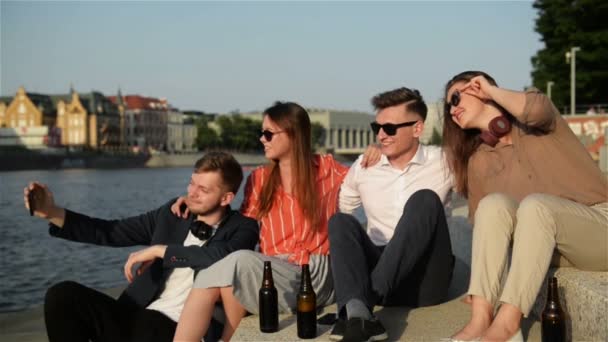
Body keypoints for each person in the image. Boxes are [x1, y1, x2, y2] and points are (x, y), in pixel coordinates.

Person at [442, 71, 608, 342]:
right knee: (492, 204)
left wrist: (492, 92)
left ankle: (508, 325)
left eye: (457, 97)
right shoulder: (479, 162)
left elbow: (534, 109)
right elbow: (486, 226)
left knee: (536, 205)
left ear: (479, 88)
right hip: (550, 245)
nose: (452, 109)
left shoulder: (542, 123)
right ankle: (480, 320)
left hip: (599, 229)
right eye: (448, 105)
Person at [24, 152, 259, 342]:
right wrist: (52, 212)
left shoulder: (243, 228)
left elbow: (219, 257)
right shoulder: (172, 215)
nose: (192, 194)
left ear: (226, 198)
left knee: (150, 325)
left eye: (203, 190)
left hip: (181, 329)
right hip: (136, 313)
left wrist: (159, 251)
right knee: (63, 295)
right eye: (192, 184)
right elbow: (111, 231)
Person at [172, 101, 352, 341]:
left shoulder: (328, 169)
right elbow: (240, 226)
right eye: (261, 133)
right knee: (224, 271)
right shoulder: (259, 179)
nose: (262, 139)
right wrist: (197, 204)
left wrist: (372, 154)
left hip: (315, 275)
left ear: (293, 134)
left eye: (268, 133)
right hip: (272, 275)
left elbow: (371, 180)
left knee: (237, 261)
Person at [327, 87, 455, 342]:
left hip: (426, 280)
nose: (382, 135)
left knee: (425, 199)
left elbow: (482, 194)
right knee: (339, 221)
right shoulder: (364, 166)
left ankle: (361, 304)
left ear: (417, 128)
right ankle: (362, 314)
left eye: (390, 129)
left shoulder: (444, 161)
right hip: (381, 263)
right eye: (377, 128)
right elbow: (344, 208)